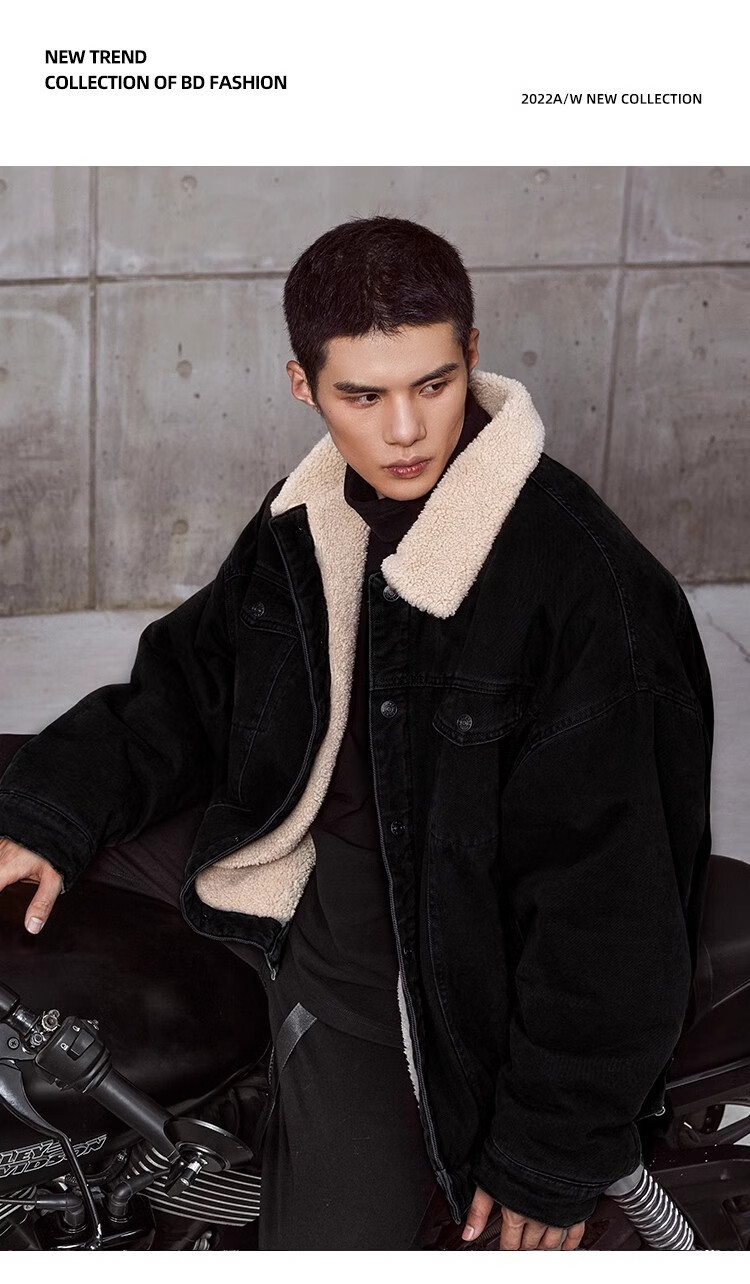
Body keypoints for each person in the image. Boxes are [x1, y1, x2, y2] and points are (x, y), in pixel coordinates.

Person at [0, 215, 713, 1250]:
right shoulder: (312, 517)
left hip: (409, 971)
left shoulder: (586, 590)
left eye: (433, 384)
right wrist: (52, 814)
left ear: (472, 354)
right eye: (363, 397)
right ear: (305, 385)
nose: (405, 432)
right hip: (288, 856)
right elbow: (194, 683)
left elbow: (611, 904)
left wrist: (551, 1154)